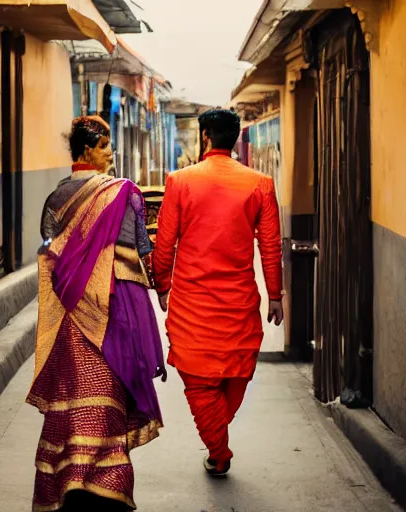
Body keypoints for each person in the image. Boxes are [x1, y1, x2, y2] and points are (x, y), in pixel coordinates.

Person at [27, 115, 166, 512]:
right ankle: (103, 477)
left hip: (72, 311)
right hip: (113, 307)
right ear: (88, 150)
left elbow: (49, 246)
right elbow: (138, 248)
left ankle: (69, 473)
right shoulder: (123, 193)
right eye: (106, 146)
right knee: (109, 386)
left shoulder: (57, 197)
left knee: (73, 390)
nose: (111, 153)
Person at [153, 109, 283, 477]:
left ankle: (218, 451)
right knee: (235, 374)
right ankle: (217, 445)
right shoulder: (260, 183)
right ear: (235, 136)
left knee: (200, 383)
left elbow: (165, 244)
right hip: (240, 306)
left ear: (206, 135)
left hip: (191, 305)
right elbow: (270, 245)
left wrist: (162, 284)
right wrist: (275, 294)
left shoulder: (180, 181)